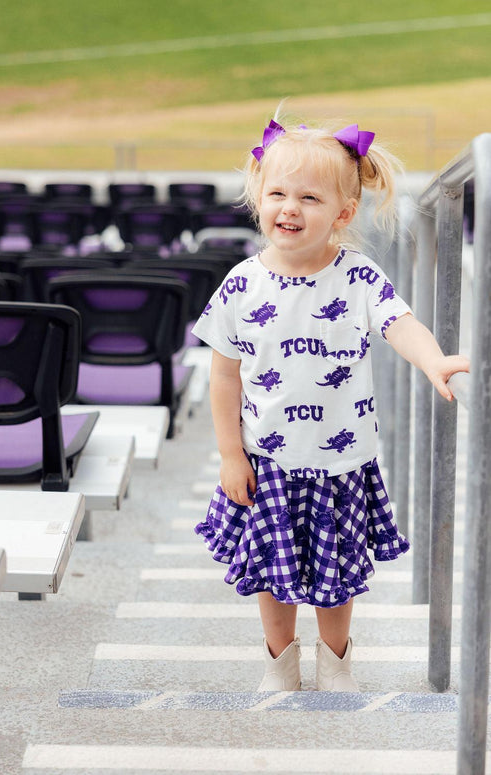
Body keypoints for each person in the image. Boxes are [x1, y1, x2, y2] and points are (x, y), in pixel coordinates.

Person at [191, 112, 469, 693]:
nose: (289, 208)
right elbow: (223, 376)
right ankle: (280, 664)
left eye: (309, 198)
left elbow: (401, 324)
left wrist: (434, 360)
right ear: (258, 199)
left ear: (343, 214)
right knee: (271, 576)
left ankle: (337, 663)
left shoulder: (359, 277)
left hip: (339, 464)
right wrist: (228, 455)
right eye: (277, 194)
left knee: (336, 576)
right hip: (264, 459)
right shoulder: (241, 284)